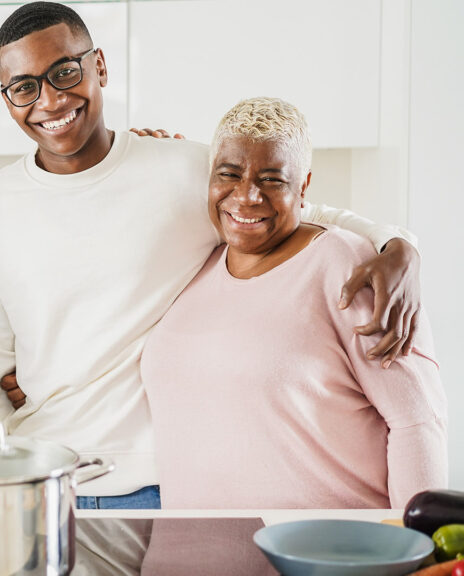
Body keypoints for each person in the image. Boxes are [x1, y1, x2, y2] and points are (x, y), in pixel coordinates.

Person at [0, 1, 423, 509]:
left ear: (99, 67)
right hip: (37, 485)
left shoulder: (181, 170)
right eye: (24, 86)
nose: (50, 99)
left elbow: (290, 207)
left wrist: (398, 245)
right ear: (6, 98)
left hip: (161, 484)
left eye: (65, 72)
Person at [141, 97, 447, 509]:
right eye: (229, 174)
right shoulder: (194, 264)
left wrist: (421, 552)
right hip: (190, 556)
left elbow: (417, 421)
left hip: (330, 554)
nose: (246, 196)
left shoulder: (349, 266)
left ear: (302, 187)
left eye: (271, 180)